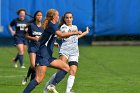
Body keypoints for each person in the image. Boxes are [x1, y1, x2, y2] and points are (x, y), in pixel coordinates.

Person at [23, 9, 81, 93]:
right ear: (53, 16)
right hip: (42, 55)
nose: (58, 16)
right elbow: (61, 34)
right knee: (38, 79)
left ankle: (51, 85)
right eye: (57, 15)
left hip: (48, 56)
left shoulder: (52, 25)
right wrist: (74, 32)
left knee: (65, 67)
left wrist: (53, 43)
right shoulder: (52, 25)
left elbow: (40, 38)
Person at [44, 12, 89, 93]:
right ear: (64, 19)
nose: (69, 19)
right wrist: (74, 32)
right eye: (67, 18)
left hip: (74, 52)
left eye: (70, 17)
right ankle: (49, 85)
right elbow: (64, 35)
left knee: (73, 72)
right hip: (65, 51)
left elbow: (75, 38)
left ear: (72, 18)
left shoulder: (75, 26)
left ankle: (67, 91)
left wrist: (85, 33)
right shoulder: (63, 27)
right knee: (61, 70)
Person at [22, 11, 44, 85]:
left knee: (36, 65)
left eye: (41, 15)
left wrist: (55, 43)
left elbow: (46, 37)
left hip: (40, 47)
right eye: (38, 15)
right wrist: (33, 38)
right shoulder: (31, 25)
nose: (40, 16)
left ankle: (31, 81)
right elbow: (26, 36)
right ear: (35, 16)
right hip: (32, 46)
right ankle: (27, 77)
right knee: (33, 65)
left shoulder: (44, 26)